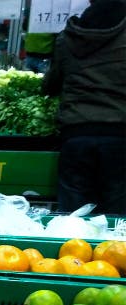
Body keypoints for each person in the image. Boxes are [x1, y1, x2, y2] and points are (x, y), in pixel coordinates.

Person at [42, 0, 126, 214]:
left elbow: (50, 85)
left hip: (77, 133)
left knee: (73, 213)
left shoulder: (68, 37)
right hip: (119, 134)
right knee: (116, 213)